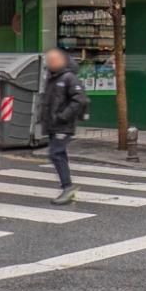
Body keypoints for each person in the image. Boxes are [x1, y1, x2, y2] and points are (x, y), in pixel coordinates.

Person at [36, 47, 90, 204]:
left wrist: (63, 116)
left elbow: (80, 99)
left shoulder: (68, 77)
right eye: (48, 60)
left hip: (63, 125)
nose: (49, 63)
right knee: (58, 154)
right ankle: (67, 187)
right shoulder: (53, 77)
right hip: (54, 124)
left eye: (53, 60)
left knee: (56, 153)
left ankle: (68, 187)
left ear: (62, 60)